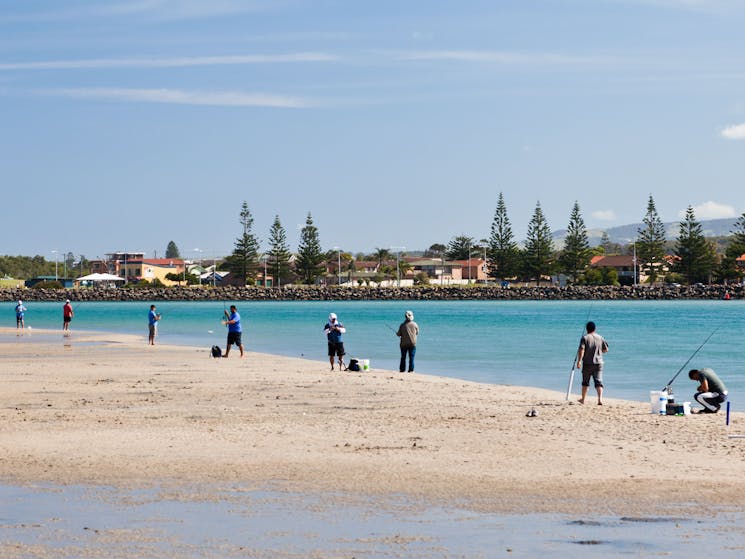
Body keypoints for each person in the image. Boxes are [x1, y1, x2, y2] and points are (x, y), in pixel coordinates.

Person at [576, 321, 609, 405]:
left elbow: (582, 350)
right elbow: (606, 349)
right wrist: (598, 351)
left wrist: (579, 361)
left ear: (587, 329)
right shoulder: (600, 337)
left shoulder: (585, 338)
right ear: (595, 329)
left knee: (585, 382)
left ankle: (583, 399)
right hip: (599, 363)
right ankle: (600, 399)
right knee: (598, 382)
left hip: (587, 363)